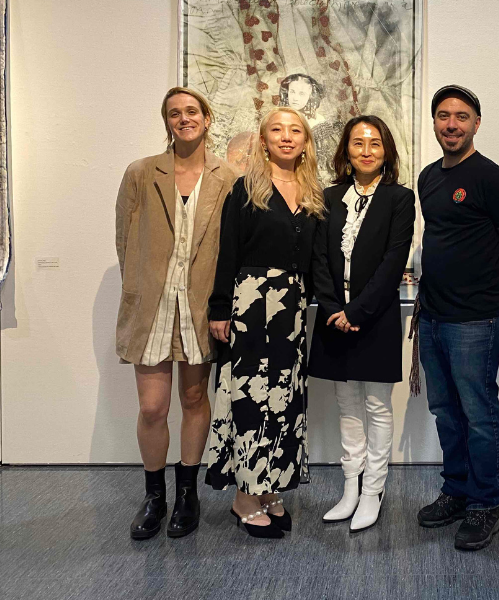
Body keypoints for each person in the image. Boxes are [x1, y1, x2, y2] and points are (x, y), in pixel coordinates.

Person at [115, 87, 237, 541]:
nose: (183, 119)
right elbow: (124, 240)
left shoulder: (230, 176)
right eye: (174, 113)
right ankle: (154, 496)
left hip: (200, 305)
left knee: (192, 400)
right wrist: (139, 287)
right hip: (152, 305)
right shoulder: (141, 173)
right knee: (152, 407)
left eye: (191, 111)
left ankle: (187, 492)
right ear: (166, 121)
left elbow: (233, 247)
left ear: (207, 118)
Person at [205, 106, 327, 539]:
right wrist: (220, 309)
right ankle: (244, 494)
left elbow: (315, 261)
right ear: (263, 141)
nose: (287, 137)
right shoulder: (244, 190)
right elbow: (228, 253)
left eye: (296, 130)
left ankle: (270, 485)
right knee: (250, 399)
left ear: (305, 142)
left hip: (291, 309)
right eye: (277, 130)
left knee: (285, 398)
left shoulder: (314, 193)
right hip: (251, 303)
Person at [413, 85, 499, 551]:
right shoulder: (428, 178)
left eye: (461, 116)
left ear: (476, 123)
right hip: (433, 316)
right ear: (435, 123)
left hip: (474, 319)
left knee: (479, 414)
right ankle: (456, 491)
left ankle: (484, 505)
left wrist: (482, 286)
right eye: (443, 116)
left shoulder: (492, 177)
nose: (452, 124)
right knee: (444, 411)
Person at [309, 115, 415, 531]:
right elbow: (318, 257)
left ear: (385, 151)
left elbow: (394, 260)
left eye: (374, 143)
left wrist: (358, 312)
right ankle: (350, 487)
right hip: (334, 316)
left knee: (377, 405)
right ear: (346, 151)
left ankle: (374, 489)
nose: (366, 150)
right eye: (358, 143)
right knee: (346, 405)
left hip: (377, 316)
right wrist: (335, 307)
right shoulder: (329, 195)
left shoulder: (399, 198)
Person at [280, 73, 344, 183]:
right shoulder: (279, 119)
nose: (295, 98)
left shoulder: (318, 123)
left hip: (313, 176)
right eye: (292, 92)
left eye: (301, 94)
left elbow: (325, 162)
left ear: (310, 95)